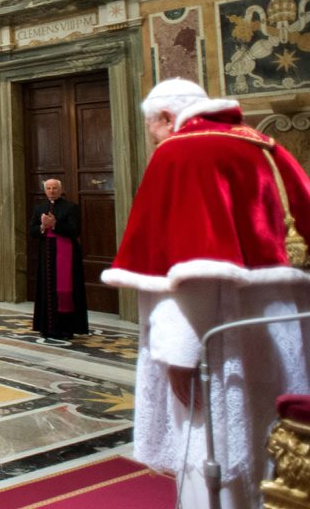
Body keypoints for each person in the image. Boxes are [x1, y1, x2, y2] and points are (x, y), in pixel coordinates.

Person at [103, 78, 310, 509]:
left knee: (212, 443)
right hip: (281, 323)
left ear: (164, 117)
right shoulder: (267, 147)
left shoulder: (183, 152)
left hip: (218, 328)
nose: (154, 137)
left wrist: (178, 355)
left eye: (151, 128)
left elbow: (189, 268)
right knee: (271, 433)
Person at [29, 178, 88, 340]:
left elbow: (74, 231)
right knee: (46, 288)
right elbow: (32, 231)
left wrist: (55, 225)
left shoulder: (71, 207)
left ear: (61, 190)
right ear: (45, 190)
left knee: (65, 291)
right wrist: (42, 227)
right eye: (48, 188)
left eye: (55, 188)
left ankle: (65, 328)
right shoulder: (39, 208)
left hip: (65, 256)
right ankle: (45, 327)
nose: (52, 191)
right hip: (46, 254)